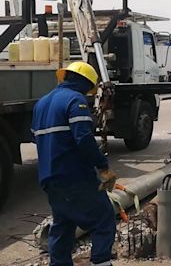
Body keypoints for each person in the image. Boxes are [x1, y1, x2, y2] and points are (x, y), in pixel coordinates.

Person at [32, 62, 117, 266]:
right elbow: (83, 139)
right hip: (75, 177)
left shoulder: (41, 104)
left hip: (50, 179)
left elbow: (36, 139)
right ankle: (101, 263)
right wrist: (102, 166)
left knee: (63, 224)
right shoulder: (74, 100)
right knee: (103, 218)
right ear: (87, 84)